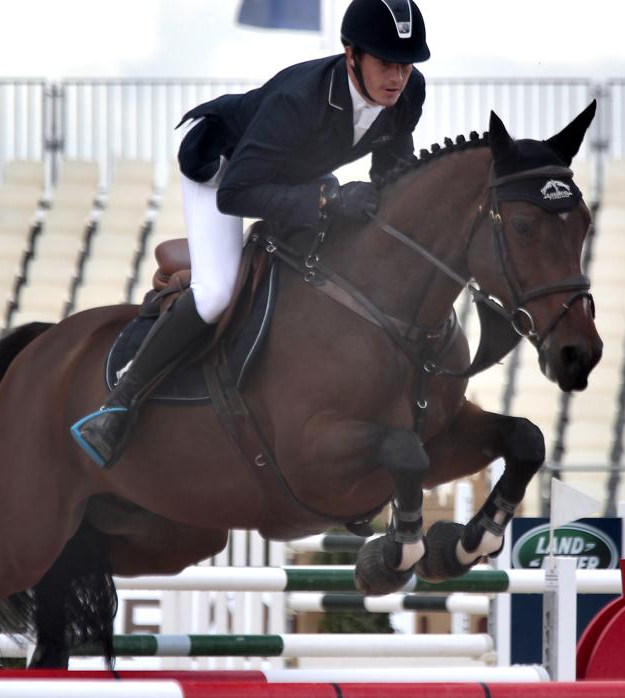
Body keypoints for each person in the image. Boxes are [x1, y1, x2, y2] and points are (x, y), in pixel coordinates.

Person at [71, 0, 431, 468]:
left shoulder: (408, 94)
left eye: (405, 65)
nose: (397, 78)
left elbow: (392, 167)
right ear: (351, 55)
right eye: (386, 63)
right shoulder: (298, 100)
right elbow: (237, 193)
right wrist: (325, 201)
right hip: (222, 169)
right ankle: (120, 402)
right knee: (217, 291)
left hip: (288, 175)